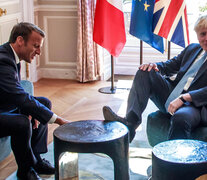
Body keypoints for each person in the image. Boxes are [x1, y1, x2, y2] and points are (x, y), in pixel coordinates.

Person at [103, 15, 207, 143]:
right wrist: (154, 66)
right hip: (172, 94)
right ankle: (130, 125)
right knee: (145, 72)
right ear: (197, 35)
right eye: (203, 34)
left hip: (195, 104)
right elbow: (170, 65)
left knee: (181, 117)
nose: (206, 38)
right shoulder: (193, 49)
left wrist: (184, 98)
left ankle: (172, 160)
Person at [0, 22, 70, 180]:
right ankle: (25, 171)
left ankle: (37, 160)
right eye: (36, 46)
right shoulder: (3, 60)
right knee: (22, 122)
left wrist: (29, 108)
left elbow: (12, 92)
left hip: (4, 105)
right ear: (20, 41)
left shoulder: (10, 55)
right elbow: (18, 96)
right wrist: (59, 120)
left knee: (43, 103)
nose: (38, 52)